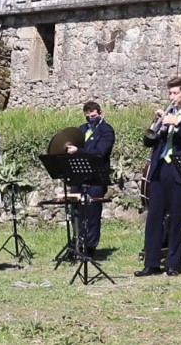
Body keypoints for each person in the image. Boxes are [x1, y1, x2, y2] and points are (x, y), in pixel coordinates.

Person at [136, 77, 181, 277]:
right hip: (160, 169)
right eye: (170, 93)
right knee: (154, 217)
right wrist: (157, 123)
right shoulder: (166, 114)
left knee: (176, 219)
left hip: (179, 170)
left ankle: (174, 264)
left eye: (175, 93)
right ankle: (152, 263)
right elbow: (148, 142)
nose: (172, 97)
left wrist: (177, 123)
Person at [65, 101, 116, 257]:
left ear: (100, 113)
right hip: (79, 177)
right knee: (76, 212)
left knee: (93, 213)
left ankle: (90, 247)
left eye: (93, 116)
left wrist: (78, 151)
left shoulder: (107, 131)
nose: (91, 119)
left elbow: (100, 152)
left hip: (96, 178)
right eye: (88, 117)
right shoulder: (81, 130)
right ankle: (77, 244)